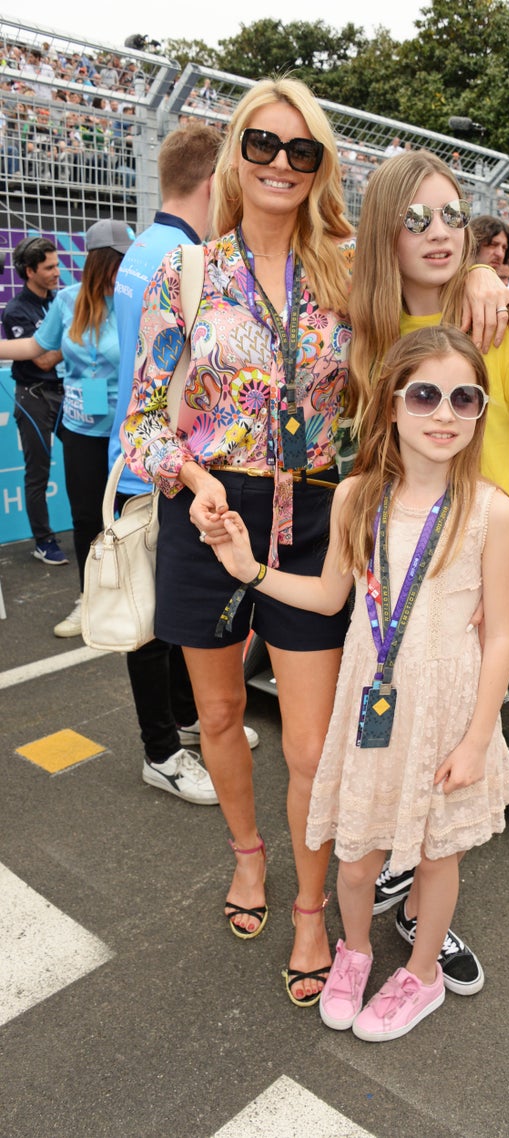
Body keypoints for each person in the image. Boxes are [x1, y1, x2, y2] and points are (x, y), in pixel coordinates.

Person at [120, 79, 509, 1008]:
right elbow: (142, 422)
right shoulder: (186, 273)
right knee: (217, 718)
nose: (280, 165)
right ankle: (247, 858)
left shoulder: (344, 265)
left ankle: (309, 910)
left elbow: (436, 274)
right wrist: (192, 476)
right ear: (235, 156)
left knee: (306, 748)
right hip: (208, 513)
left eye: (302, 152)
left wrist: (490, 272)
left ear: (322, 166)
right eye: (263, 144)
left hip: (317, 517)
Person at [215, 325, 509, 1041]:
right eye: (424, 395)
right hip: (370, 703)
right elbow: (329, 599)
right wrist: (249, 572)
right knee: (355, 860)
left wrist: (479, 738)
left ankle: (419, 975)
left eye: (463, 398)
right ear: (390, 405)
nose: (444, 414)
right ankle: (353, 951)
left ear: (479, 412)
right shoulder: (356, 497)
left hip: (449, 709)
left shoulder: (491, 510)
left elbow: (502, 634)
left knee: (438, 856)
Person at [346, 151, 509, 994]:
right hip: (391, 591)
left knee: (456, 754)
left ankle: (422, 926)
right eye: (414, 220)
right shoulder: (375, 334)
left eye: (452, 218)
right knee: (389, 740)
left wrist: (488, 567)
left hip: (473, 586)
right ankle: (396, 887)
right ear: (384, 236)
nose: (437, 234)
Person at [110, 124, 254, 807]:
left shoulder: (145, 247)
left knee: (171, 624)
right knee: (152, 621)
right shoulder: (185, 259)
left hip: (150, 460)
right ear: (213, 182)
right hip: (163, 467)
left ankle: (188, 722)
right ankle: (161, 749)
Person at [0, 219, 134, 636]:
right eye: (121, 260)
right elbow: (35, 348)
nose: (128, 267)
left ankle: (133, 598)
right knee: (85, 519)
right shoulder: (69, 301)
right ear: (102, 262)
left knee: (133, 519)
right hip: (79, 430)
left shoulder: (139, 299)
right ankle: (89, 600)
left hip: (129, 431)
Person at [1, 236, 66, 564]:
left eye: (57, 264)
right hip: (34, 398)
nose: (58, 272)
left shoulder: (59, 300)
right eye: (49, 267)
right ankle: (44, 540)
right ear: (30, 271)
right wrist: (74, 339)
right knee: (37, 474)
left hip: (67, 394)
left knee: (88, 460)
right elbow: (41, 360)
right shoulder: (16, 310)